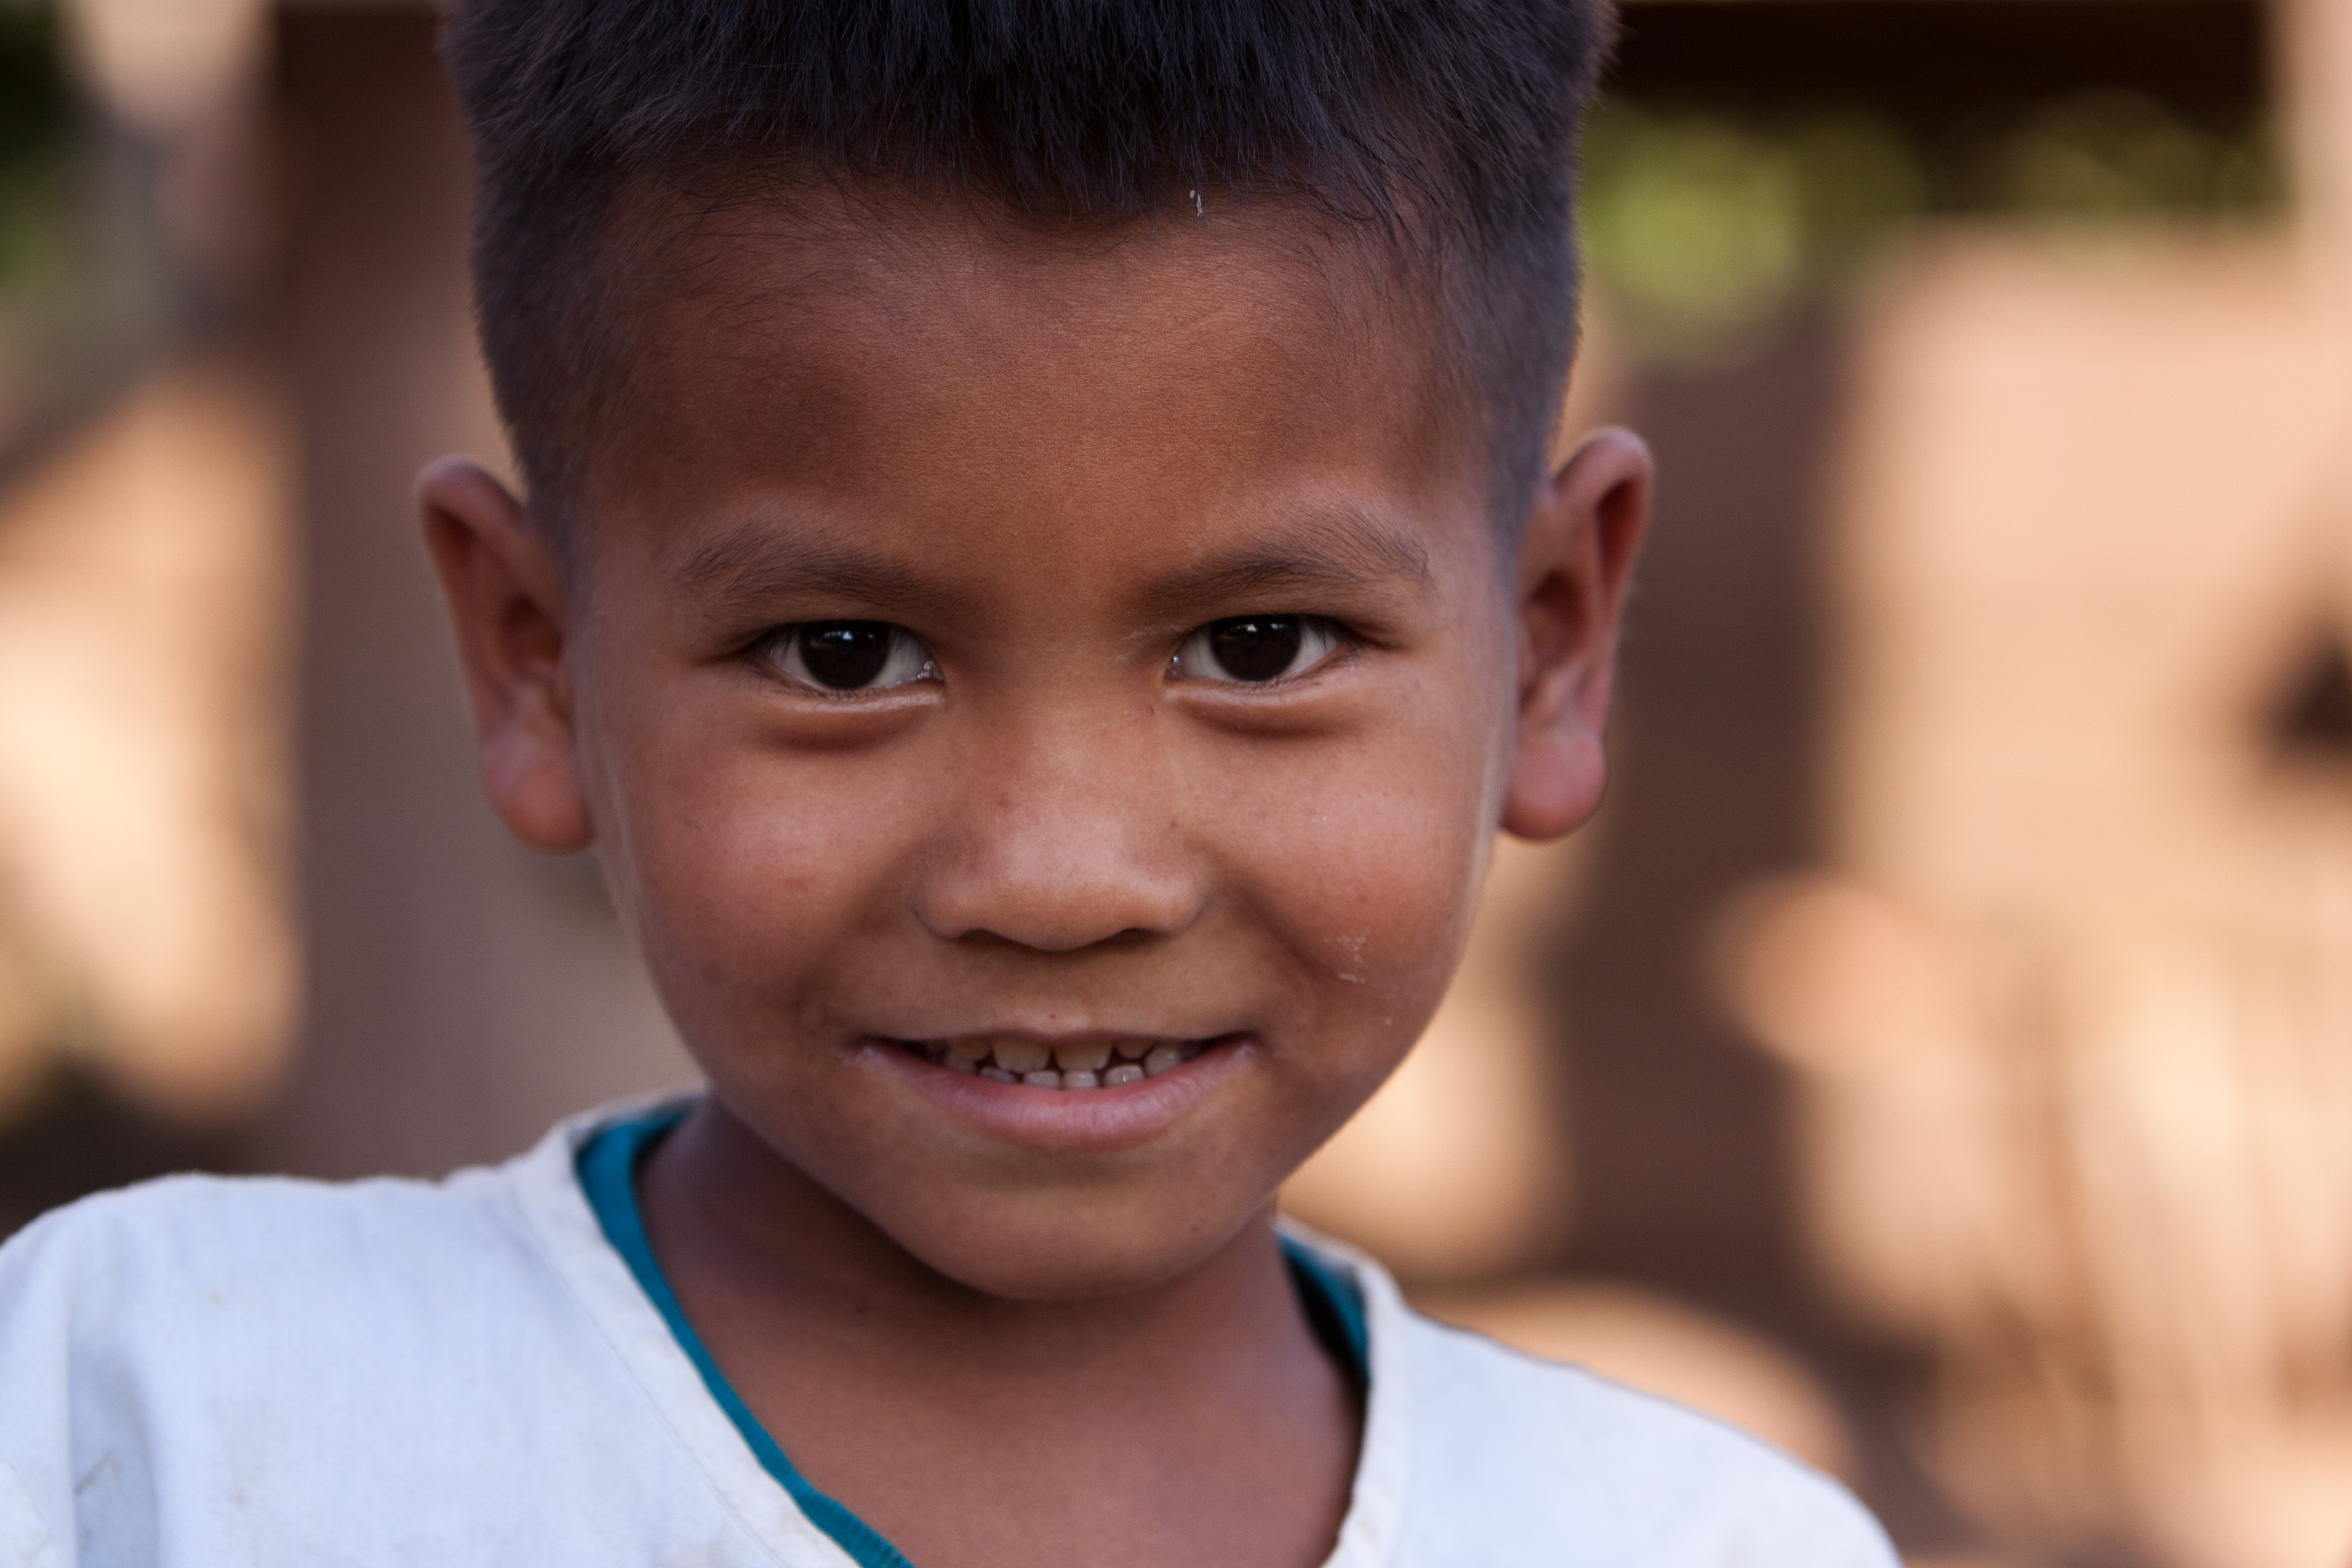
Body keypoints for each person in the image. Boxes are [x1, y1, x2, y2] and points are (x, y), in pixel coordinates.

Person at [0, 2, 1899, 1564]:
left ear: (1552, 644)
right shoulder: (153, 1416)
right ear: (536, 660)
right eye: (844, 657)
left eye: (1260, 648)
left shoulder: (1697, 1544)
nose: (1059, 876)